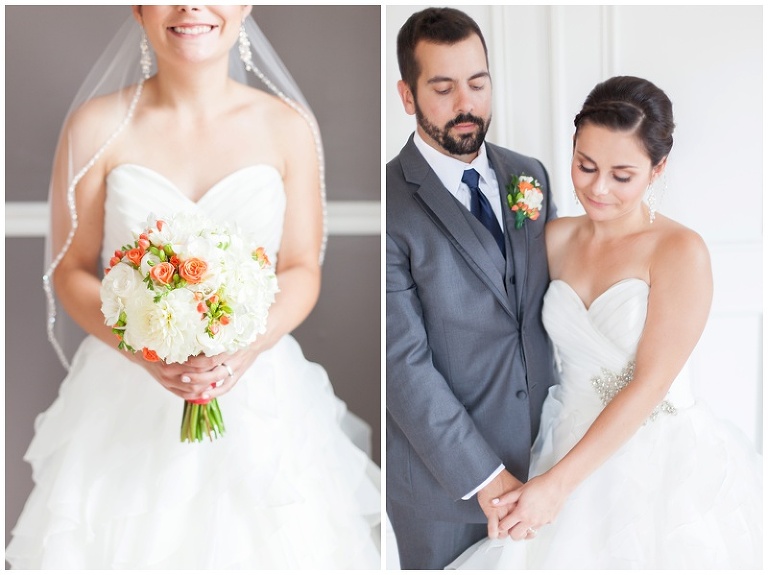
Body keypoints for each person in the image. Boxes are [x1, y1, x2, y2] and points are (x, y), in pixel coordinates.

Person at [6, 6, 380, 569]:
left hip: (262, 397)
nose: (191, 6)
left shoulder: (288, 127)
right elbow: (72, 270)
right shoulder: (93, 126)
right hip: (125, 397)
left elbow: (302, 266)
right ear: (137, 7)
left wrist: (245, 348)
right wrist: (146, 351)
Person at [447, 75, 763, 569]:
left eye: (622, 175)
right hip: (560, 436)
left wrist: (556, 487)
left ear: (657, 170)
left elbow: (650, 384)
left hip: (660, 461)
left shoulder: (681, 252)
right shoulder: (551, 239)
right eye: (585, 165)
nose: (597, 188)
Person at [386, 7, 558, 569]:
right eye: (443, 88)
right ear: (407, 96)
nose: (467, 105)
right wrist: (485, 478)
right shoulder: (391, 202)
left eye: (478, 83)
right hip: (445, 493)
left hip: (548, 471)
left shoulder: (527, 174)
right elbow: (401, 363)